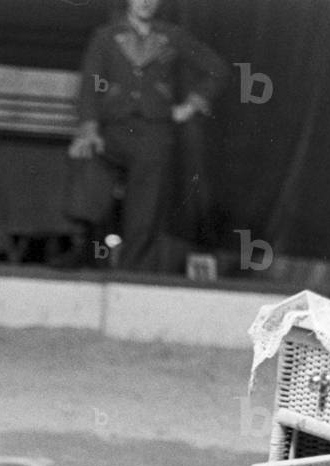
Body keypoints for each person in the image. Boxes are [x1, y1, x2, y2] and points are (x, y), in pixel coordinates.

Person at [58, 0, 229, 272]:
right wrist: (89, 129)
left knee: (145, 209)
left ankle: (131, 275)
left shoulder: (172, 36)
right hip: (112, 128)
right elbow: (89, 84)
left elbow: (216, 69)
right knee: (87, 178)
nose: (146, 2)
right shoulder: (105, 36)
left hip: (154, 131)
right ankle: (83, 251)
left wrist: (191, 105)